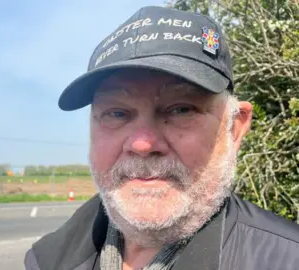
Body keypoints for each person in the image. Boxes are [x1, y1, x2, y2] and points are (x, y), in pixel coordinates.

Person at [24, 5, 299, 270]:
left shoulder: (286, 259)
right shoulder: (48, 258)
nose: (142, 144)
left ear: (234, 128)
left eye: (180, 109)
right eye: (117, 113)